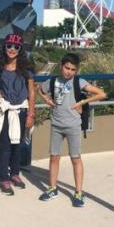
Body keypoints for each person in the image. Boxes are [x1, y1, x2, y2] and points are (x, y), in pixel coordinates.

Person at [38, 53, 106, 207]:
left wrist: (82, 101)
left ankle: (79, 192)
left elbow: (101, 93)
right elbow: (39, 90)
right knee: (54, 157)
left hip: (73, 125)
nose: (69, 71)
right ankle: (52, 188)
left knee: (75, 158)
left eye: (72, 69)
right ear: (61, 66)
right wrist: (46, 100)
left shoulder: (79, 82)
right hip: (56, 124)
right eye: (67, 68)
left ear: (76, 70)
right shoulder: (52, 81)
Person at [0, 34, 35, 196]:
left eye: (16, 47)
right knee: (5, 145)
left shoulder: (26, 69)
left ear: (21, 49)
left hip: (21, 109)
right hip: (6, 110)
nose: (12, 49)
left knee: (18, 144)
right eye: (9, 46)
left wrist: (31, 113)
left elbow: (31, 91)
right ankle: (4, 177)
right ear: (4, 47)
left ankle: (15, 173)